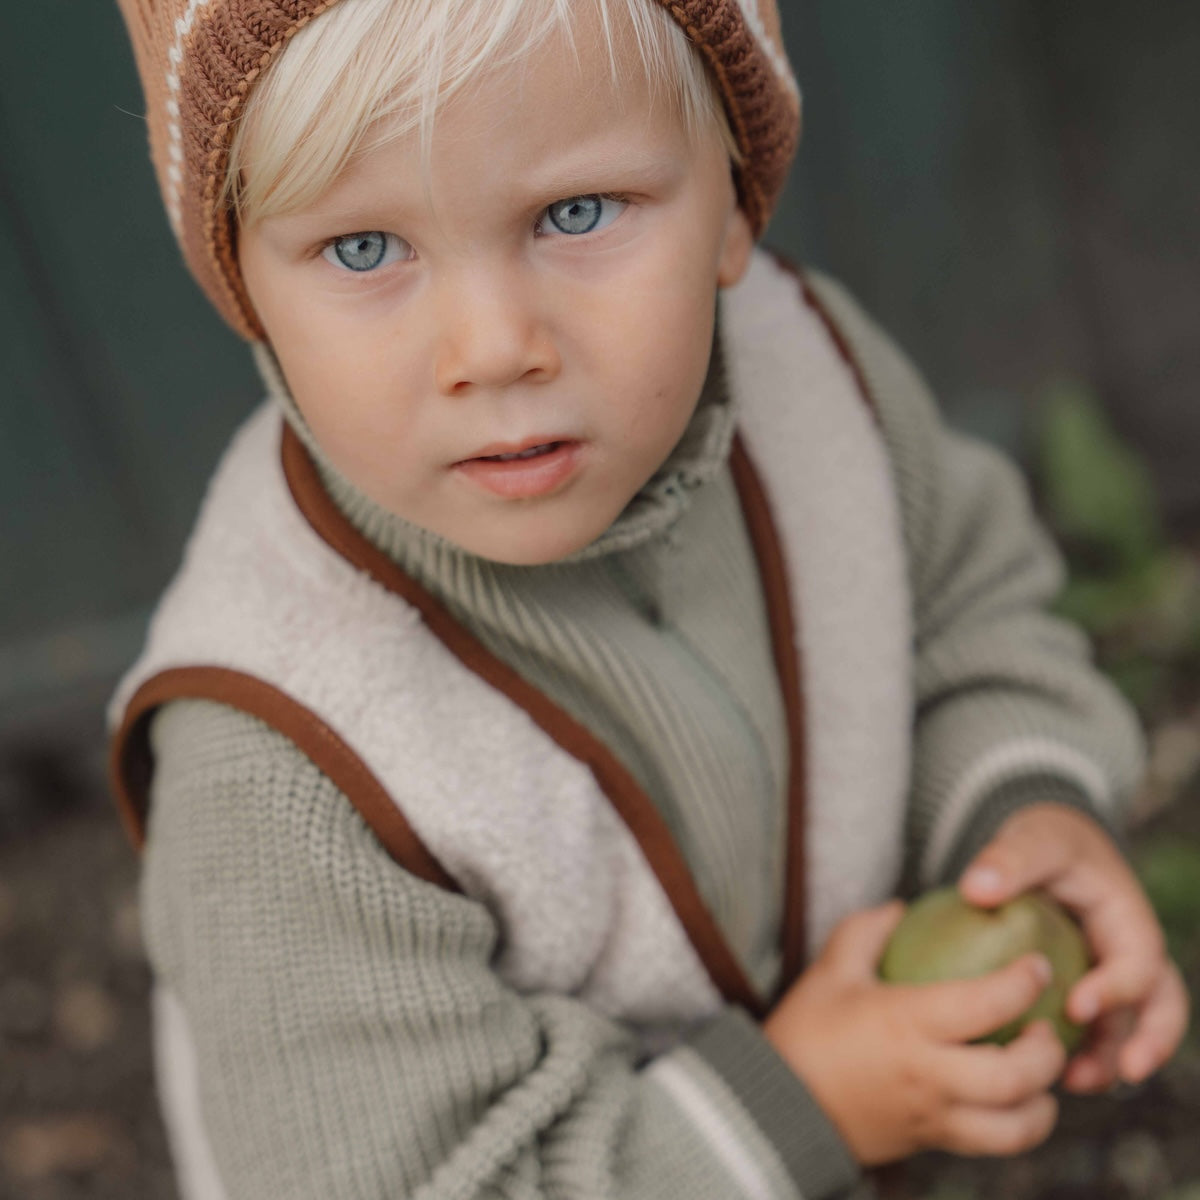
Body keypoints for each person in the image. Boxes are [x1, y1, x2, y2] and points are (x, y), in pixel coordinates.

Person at [108, 1, 1188, 1197]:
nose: (493, 344)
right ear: (245, 283)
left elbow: (967, 617)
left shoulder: (819, 379)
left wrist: (1017, 814)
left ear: (731, 202)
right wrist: (801, 1109)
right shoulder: (281, 763)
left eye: (575, 213)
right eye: (364, 248)